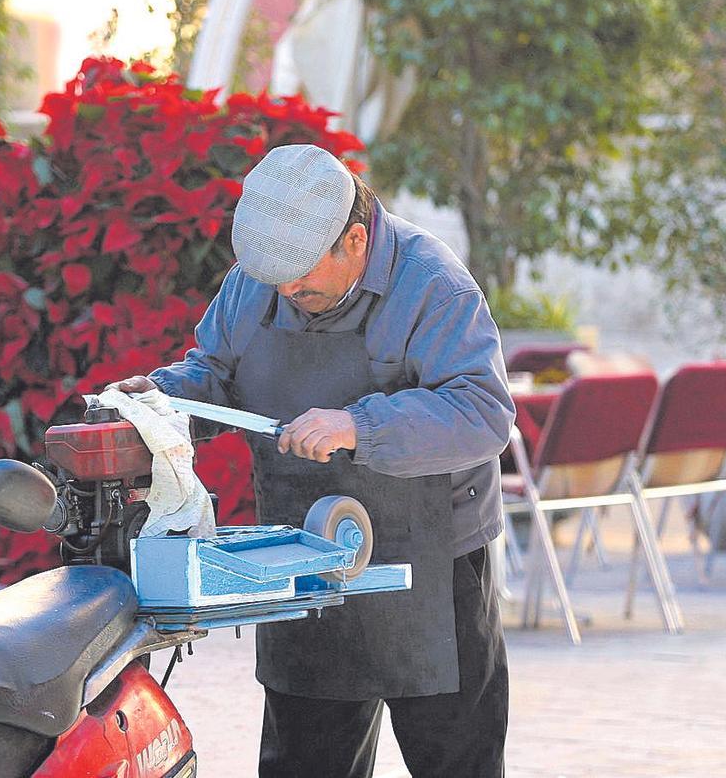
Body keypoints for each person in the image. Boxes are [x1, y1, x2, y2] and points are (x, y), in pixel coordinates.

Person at [109, 143, 513, 777]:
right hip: (302, 562)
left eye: (302, 278)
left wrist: (358, 424)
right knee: (305, 763)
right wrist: (163, 401)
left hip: (434, 564)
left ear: (355, 240)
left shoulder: (432, 283)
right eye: (276, 282)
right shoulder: (260, 282)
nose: (288, 292)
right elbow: (214, 375)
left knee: (455, 764)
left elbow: (483, 413)